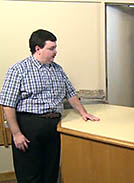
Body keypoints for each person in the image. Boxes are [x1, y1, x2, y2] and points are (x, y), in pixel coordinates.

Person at [0, 29, 100, 183]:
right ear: (38, 49)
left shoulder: (57, 69)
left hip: (54, 126)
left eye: (55, 47)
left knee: (51, 171)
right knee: (30, 174)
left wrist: (83, 112)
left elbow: (71, 93)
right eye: (51, 48)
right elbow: (8, 105)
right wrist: (16, 134)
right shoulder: (19, 70)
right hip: (29, 126)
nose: (56, 52)